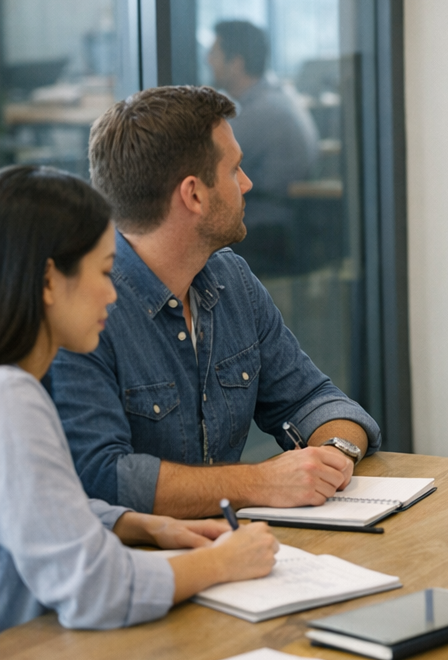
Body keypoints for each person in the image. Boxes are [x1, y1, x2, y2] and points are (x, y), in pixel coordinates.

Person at [50, 86, 380, 518]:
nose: (248, 183)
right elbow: (102, 477)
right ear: (194, 194)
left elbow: (315, 400)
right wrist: (261, 481)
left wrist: (332, 453)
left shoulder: (231, 280)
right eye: (235, 169)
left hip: (230, 551)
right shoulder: (80, 310)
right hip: (139, 569)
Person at [0, 166, 277, 632]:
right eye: (105, 272)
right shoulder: (12, 400)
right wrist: (223, 563)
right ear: (49, 280)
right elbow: (94, 588)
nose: (112, 296)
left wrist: (137, 523)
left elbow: (34, 506)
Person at [207, 19, 319, 276]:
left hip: (265, 229)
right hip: (282, 224)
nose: (207, 60)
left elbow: (204, 161)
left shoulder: (263, 112)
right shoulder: (275, 98)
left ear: (236, 63)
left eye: (214, 53)